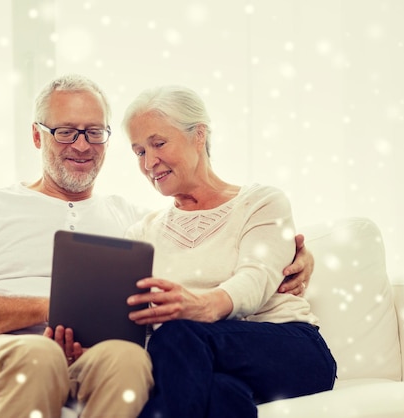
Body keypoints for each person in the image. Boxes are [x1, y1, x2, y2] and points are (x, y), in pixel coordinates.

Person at [0, 74, 314, 418]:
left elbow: (201, 247)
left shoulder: (132, 221)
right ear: (36, 135)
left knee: (129, 359)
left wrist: (297, 256)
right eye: (66, 131)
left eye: (94, 132)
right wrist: (52, 309)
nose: (81, 144)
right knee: (38, 355)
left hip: (82, 358)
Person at [122, 85, 337, 418]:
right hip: (197, 360)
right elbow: (138, 321)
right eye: (138, 152)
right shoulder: (142, 232)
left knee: (177, 335)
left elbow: (256, 279)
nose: (149, 162)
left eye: (158, 143)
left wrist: (200, 306)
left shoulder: (261, 203)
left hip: (288, 349)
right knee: (221, 394)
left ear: (198, 135)